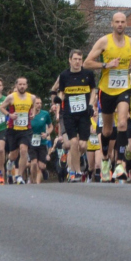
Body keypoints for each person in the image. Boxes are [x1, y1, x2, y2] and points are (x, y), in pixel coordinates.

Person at [84, 12, 131, 181]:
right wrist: (106, 64)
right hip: (106, 90)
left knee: (122, 123)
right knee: (107, 130)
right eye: (117, 22)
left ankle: (120, 163)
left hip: (124, 89)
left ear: (126, 24)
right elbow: (87, 63)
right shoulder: (104, 41)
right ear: (112, 24)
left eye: (123, 22)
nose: (120, 24)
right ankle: (105, 158)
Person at [52, 50, 97, 182]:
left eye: (80, 59)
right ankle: (76, 172)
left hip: (83, 114)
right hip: (69, 114)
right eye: (75, 59)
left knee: (82, 145)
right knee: (73, 142)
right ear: (70, 60)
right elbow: (61, 92)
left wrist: (90, 104)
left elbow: (93, 90)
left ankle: (76, 158)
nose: (78, 62)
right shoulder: (64, 75)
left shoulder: (88, 74)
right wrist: (58, 100)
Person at [0, 77, 39, 185]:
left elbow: (33, 108)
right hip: (13, 129)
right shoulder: (11, 97)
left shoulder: (32, 97)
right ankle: (10, 163)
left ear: (27, 86)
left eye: (24, 84)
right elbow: (1, 107)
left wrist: (33, 113)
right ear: (16, 85)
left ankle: (19, 176)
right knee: (13, 155)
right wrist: (9, 115)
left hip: (26, 129)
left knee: (23, 150)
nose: (22, 86)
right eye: (20, 84)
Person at [29, 98, 55, 184]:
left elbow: (51, 126)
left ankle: (44, 171)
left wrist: (47, 134)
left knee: (41, 166)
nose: (39, 105)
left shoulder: (45, 114)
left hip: (42, 143)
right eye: (37, 103)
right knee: (33, 163)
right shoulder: (29, 114)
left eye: (40, 103)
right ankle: (35, 182)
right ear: (33, 104)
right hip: (31, 142)